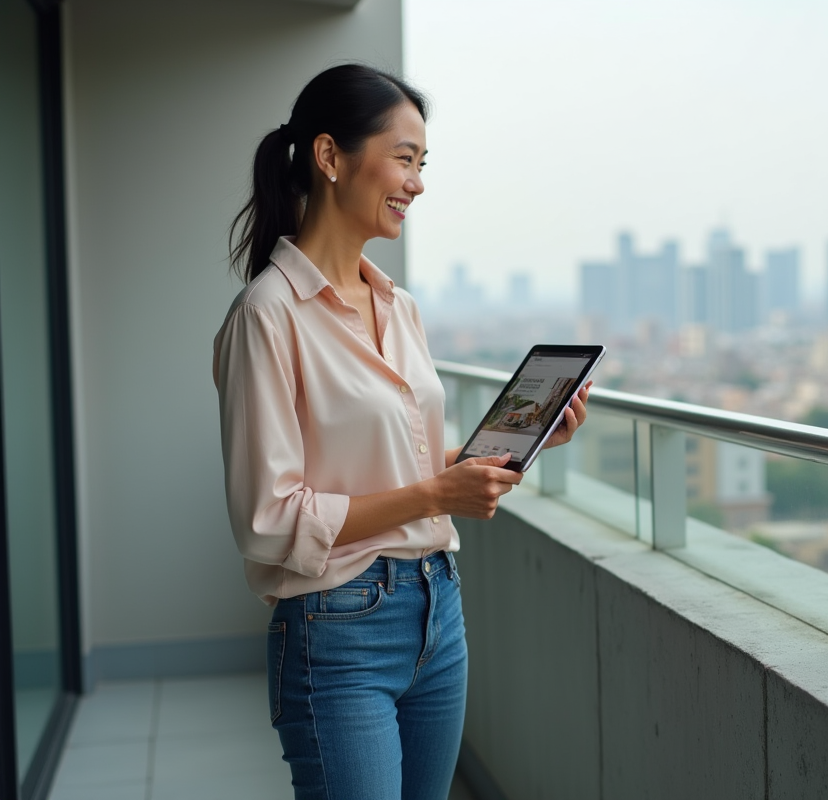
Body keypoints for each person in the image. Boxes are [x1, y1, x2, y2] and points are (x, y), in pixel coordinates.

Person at [213, 64, 589, 800]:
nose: (417, 183)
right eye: (405, 158)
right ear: (330, 156)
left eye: (423, 164)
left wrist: (517, 446)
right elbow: (268, 519)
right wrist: (436, 496)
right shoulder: (267, 315)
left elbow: (402, 464)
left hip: (437, 608)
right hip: (337, 627)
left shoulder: (399, 306)